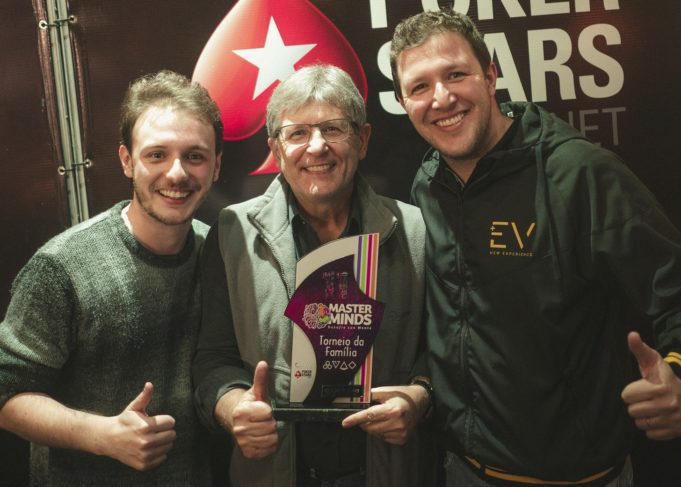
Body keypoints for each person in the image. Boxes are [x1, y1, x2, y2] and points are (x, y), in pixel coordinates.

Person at [389, 8, 681, 487]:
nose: (441, 98)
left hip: (579, 478)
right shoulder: (426, 185)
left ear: (489, 75)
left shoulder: (580, 175)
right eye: (419, 86)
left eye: (456, 74)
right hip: (460, 469)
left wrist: (678, 376)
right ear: (404, 101)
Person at [192, 64, 436, 487]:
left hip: (386, 472)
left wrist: (420, 397)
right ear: (276, 147)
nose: (317, 147)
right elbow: (212, 359)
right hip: (276, 473)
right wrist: (233, 409)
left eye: (333, 129)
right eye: (297, 133)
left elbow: (444, 348)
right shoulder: (233, 233)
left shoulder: (414, 230)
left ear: (362, 140)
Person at [0, 70, 222, 486]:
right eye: (156, 155)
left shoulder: (218, 254)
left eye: (195, 156)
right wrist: (102, 435)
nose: (177, 174)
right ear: (126, 161)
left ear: (216, 167)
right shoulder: (62, 266)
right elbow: (6, 393)